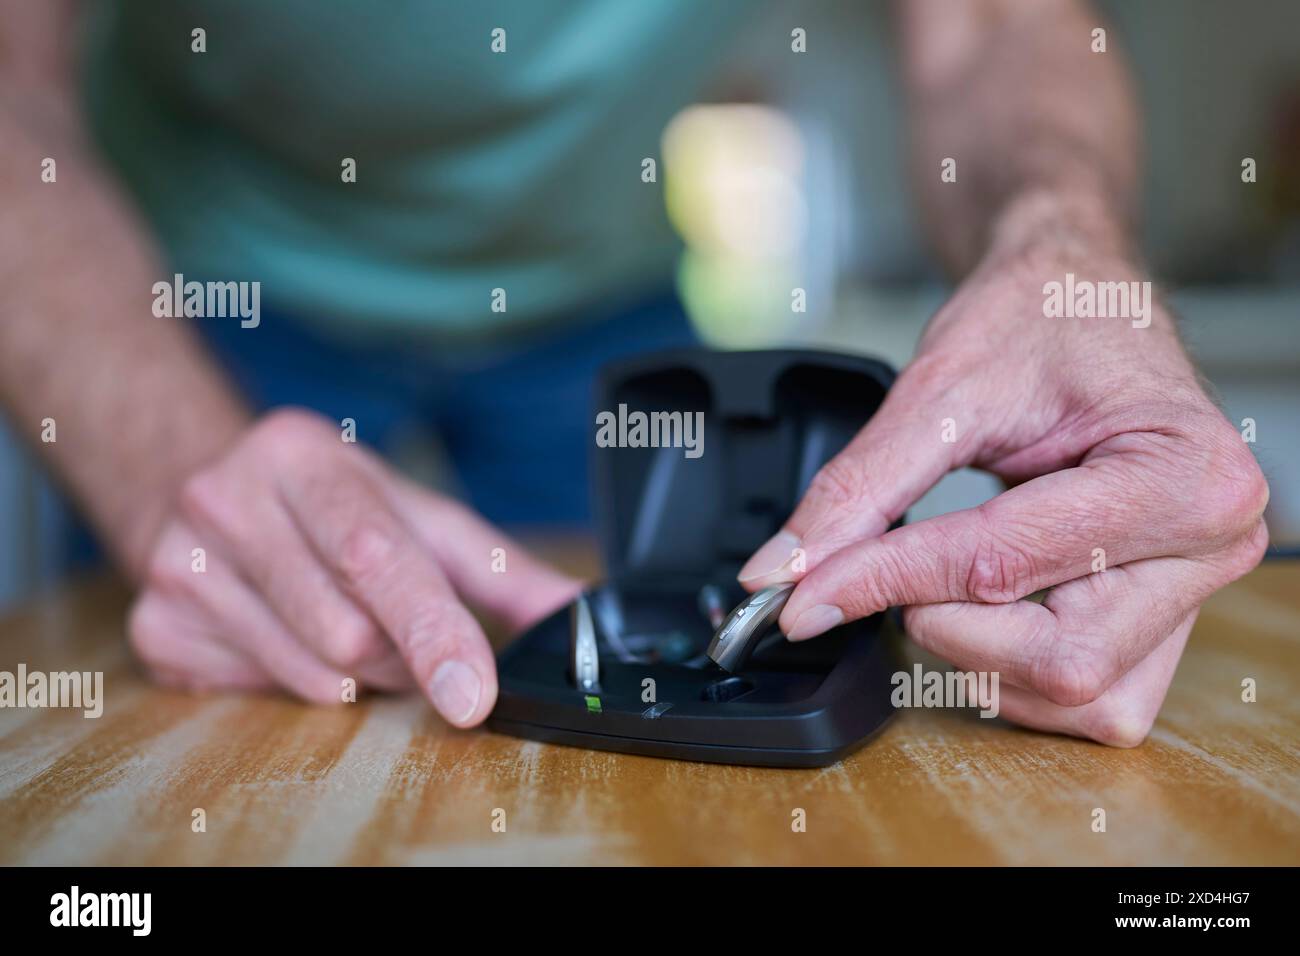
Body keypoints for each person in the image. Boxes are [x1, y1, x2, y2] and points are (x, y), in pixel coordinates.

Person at [0, 0, 1268, 746]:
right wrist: (161, 456)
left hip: (596, 303)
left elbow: (998, 26)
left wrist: (1063, 242)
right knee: (201, 709)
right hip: (197, 289)